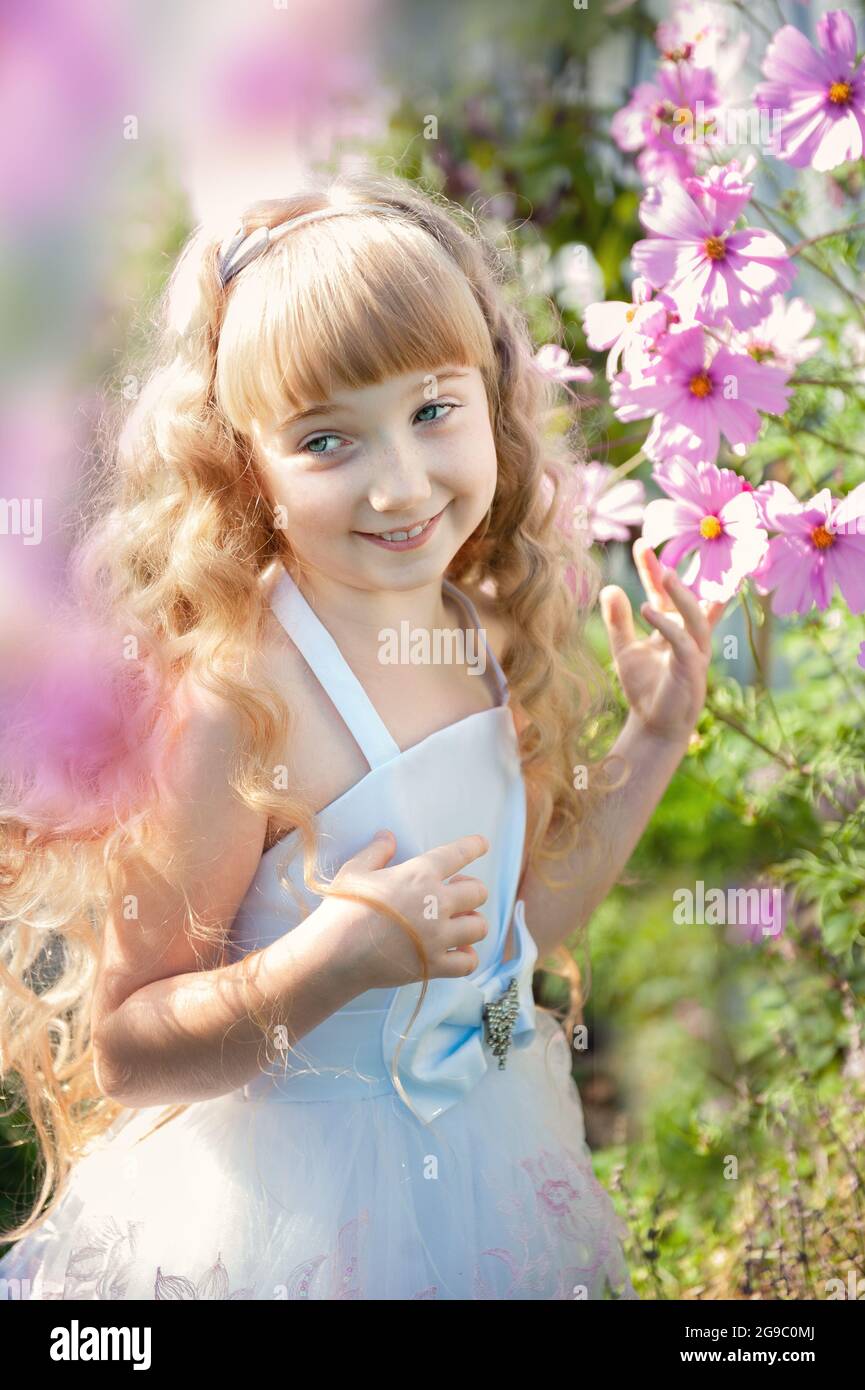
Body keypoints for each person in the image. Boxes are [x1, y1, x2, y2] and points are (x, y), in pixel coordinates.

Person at [0, 170, 723, 1300]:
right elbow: (130, 1047)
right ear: (251, 466)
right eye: (328, 441)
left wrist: (655, 739)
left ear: (489, 399)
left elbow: (516, 928)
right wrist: (324, 964)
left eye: (432, 411)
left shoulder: (480, 634)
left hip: (490, 1163)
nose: (398, 484)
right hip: (295, 1213)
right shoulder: (242, 702)